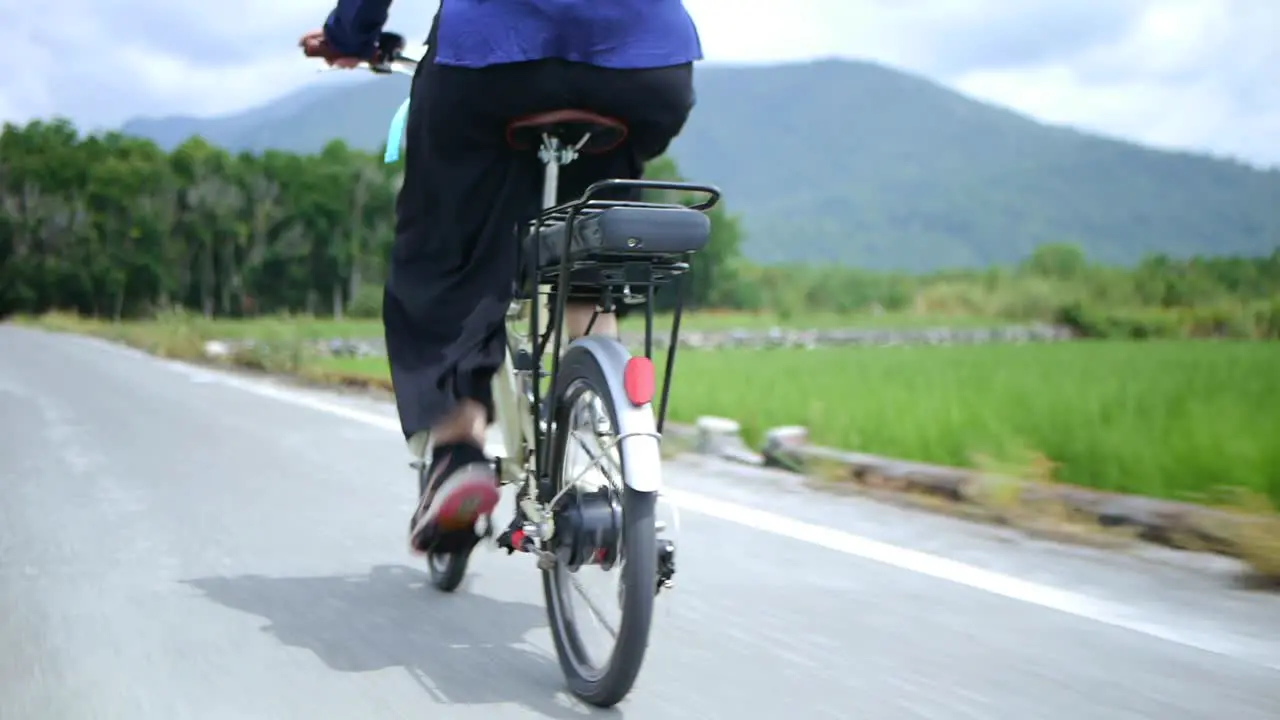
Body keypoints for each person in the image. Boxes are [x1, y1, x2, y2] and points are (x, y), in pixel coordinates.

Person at [300, 0, 703, 556]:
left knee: (445, 252)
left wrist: (350, 34)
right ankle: (602, 447)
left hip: (493, 62)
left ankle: (458, 449)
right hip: (645, 67)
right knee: (584, 246)